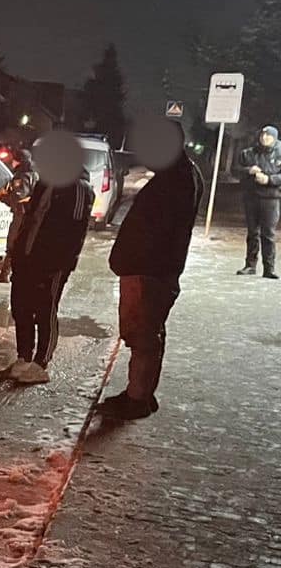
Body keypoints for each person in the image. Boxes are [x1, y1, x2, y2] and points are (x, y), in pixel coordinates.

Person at [99, 118, 203, 419]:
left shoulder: (176, 179)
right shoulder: (183, 173)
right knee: (148, 333)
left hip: (149, 270)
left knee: (143, 335)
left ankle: (137, 399)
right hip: (154, 268)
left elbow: (155, 229)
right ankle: (141, 393)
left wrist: (130, 260)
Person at [1, 136, 91, 384]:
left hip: (52, 263)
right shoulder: (45, 184)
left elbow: (75, 231)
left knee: (45, 309)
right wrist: (18, 251)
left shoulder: (78, 188)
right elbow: (32, 219)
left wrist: (60, 263)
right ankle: (23, 357)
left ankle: (41, 363)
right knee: (21, 307)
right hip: (28, 257)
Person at [235, 124, 281, 278]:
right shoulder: (248, 153)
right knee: (252, 232)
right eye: (262, 135)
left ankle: (269, 268)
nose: (264, 138)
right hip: (251, 197)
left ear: (274, 138)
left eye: (268, 136)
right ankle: (250, 265)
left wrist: (269, 179)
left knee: (268, 234)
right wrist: (248, 170)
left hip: (271, 199)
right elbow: (235, 170)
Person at [0, 148, 36, 284]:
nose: (12, 162)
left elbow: (18, 197)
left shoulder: (21, 177)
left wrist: (2, 197)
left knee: (13, 244)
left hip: (21, 215)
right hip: (30, 216)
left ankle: (5, 274)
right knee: (24, 245)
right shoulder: (34, 174)